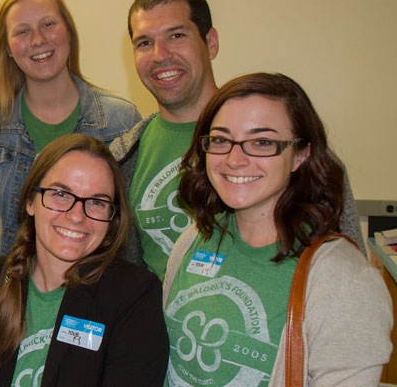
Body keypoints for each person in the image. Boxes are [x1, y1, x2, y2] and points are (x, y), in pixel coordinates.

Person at [110, 0, 363, 278]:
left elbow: (350, 272)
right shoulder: (124, 157)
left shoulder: (289, 147)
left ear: (211, 43)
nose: (160, 55)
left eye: (176, 35)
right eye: (144, 43)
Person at [164, 72, 391, 386]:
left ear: (300, 154)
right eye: (220, 139)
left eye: (262, 142)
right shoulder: (196, 238)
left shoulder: (346, 280)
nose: (234, 159)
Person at [0, 134, 167, 387]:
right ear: (30, 201)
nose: (77, 216)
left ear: (113, 217)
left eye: (97, 202)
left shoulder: (134, 295)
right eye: (61, 194)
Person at [0, 0, 142, 258]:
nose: (38, 40)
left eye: (48, 24)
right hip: (11, 292)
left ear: (69, 33)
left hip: (97, 292)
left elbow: (130, 233)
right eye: (22, 31)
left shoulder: (121, 121)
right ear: (8, 48)